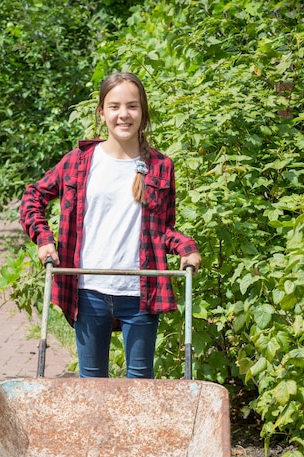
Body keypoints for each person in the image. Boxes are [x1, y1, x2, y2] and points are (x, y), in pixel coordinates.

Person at [19, 72, 201, 379]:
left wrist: (186, 247)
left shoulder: (160, 166)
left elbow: (162, 229)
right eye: (114, 106)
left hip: (141, 290)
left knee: (140, 382)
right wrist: (44, 239)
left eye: (132, 106)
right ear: (101, 112)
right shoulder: (79, 161)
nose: (123, 114)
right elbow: (33, 196)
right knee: (92, 384)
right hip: (89, 290)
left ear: (143, 113)